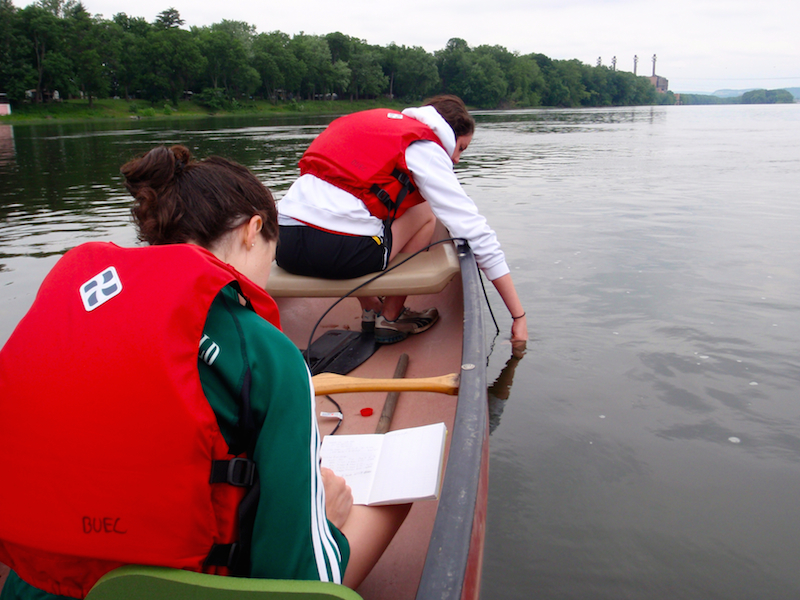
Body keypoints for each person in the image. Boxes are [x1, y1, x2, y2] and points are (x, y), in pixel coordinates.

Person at [0, 145, 407, 600]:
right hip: (190, 588)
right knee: (394, 496)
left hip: (36, 583)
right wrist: (325, 521)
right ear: (254, 230)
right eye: (271, 260)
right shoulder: (266, 353)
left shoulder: (67, 317)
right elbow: (295, 575)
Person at [276, 94, 528, 344]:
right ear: (449, 135)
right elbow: (475, 231)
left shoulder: (371, 124)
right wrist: (518, 315)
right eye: (460, 148)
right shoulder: (425, 145)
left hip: (285, 245)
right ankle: (391, 315)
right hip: (342, 254)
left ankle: (370, 306)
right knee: (426, 211)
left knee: (356, 213)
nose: (456, 160)